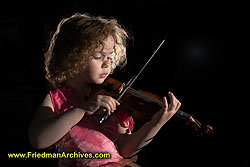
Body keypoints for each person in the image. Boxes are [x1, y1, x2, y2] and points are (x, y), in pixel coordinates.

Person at [28, 12, 181, 167]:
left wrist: (155, 124)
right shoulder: (56, 99)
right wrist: (82, 109)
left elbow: (126, 149)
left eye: (109, 56)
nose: (107, 64)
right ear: (72, 57)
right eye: (98, 56)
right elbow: (38, 140)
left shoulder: (112, 98)